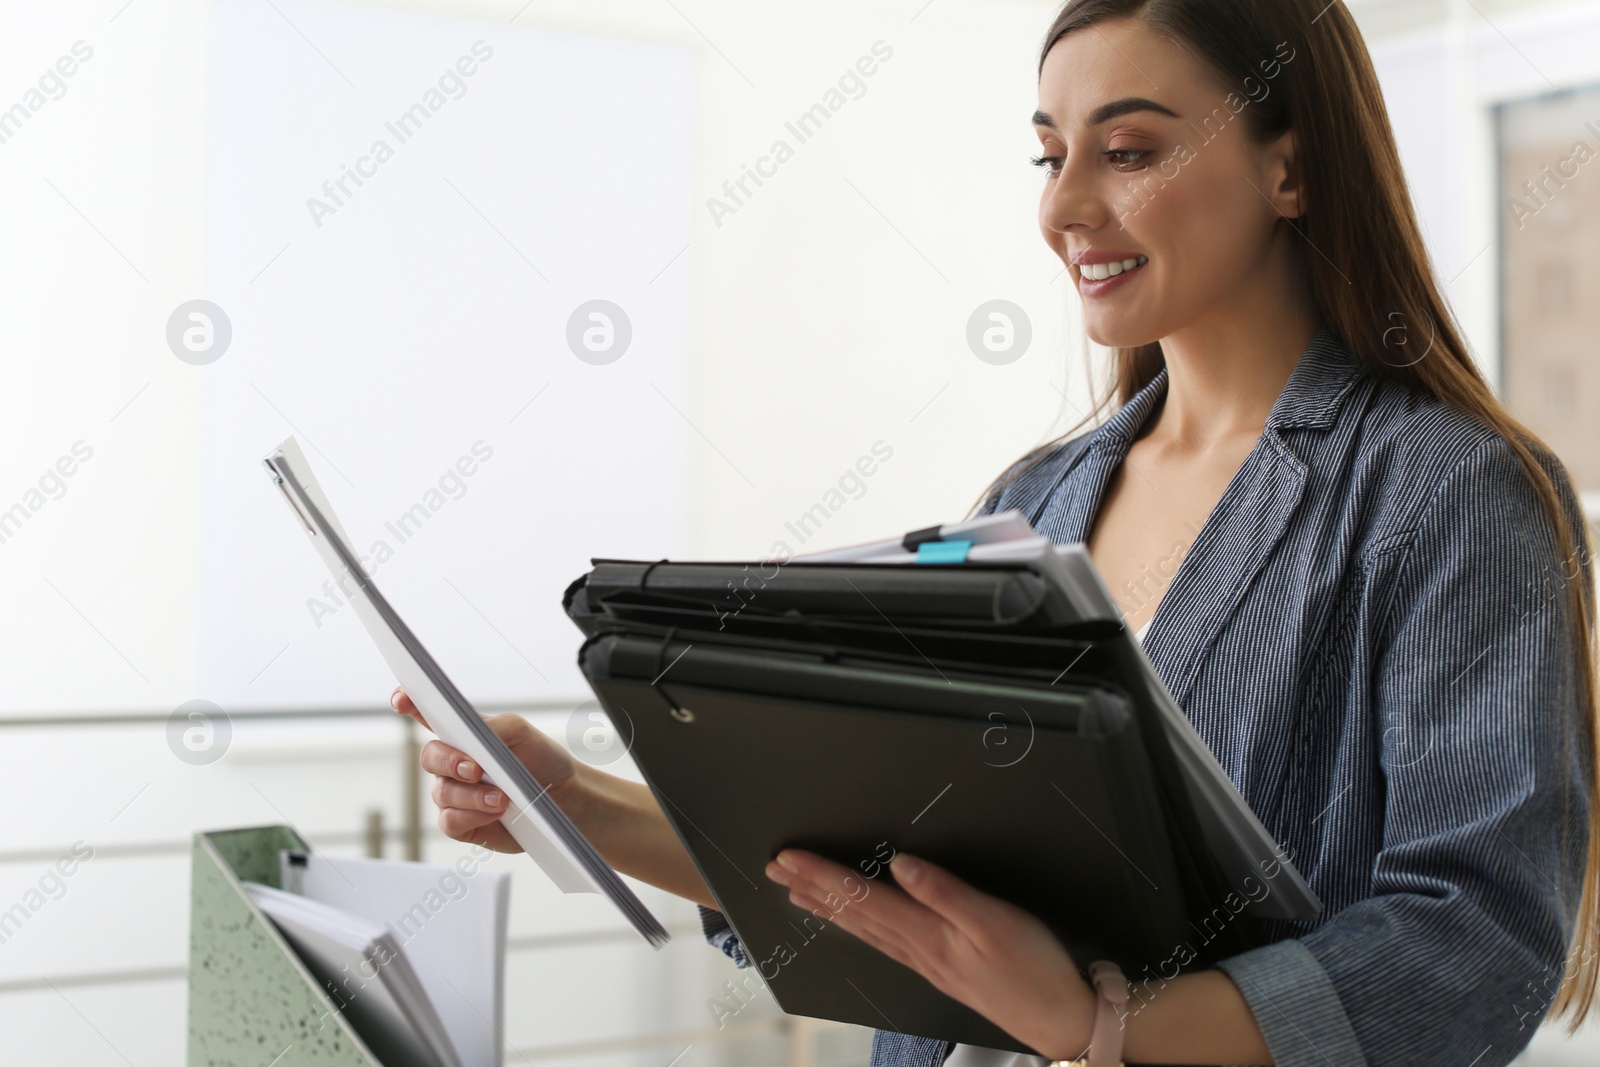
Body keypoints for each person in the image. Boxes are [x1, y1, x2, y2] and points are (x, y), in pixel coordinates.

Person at [390, 0, 1600, 1062]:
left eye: (1127, 150)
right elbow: (891, 874)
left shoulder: (1449, 493)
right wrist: (575, 804)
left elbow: (1474, 937)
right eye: (1047, 154)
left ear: (1290, 170)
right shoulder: (1035, 498)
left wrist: (1098, 1025)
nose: (1064, 206)